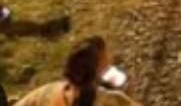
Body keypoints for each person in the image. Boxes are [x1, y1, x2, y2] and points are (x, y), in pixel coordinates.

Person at [14, 36, 142, 106]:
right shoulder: (112, 100)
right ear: (98, 72)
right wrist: (129, 93)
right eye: (106, 60)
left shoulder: (46, 93)